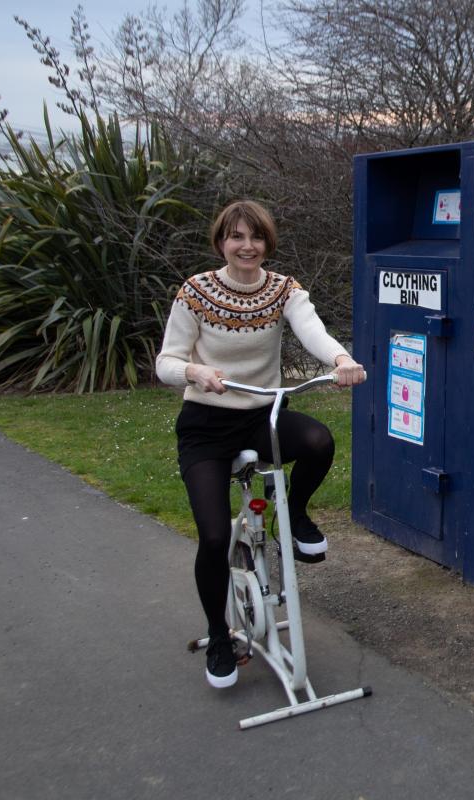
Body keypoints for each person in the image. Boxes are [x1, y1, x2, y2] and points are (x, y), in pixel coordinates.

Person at [155, 200, 366, 689]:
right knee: (211, 537)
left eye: (256, 238)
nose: (247, 246)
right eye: (236, 237)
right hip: (206, 425)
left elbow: (310, 326)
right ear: (221, 243)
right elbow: (166, 360)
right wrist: (194, 371)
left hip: (260, 416)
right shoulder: (197, 292)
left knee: (317, 440)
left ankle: (297, 515)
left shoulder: (282, 290)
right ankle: (219, 635)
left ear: (267, 243)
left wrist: (341, 358)